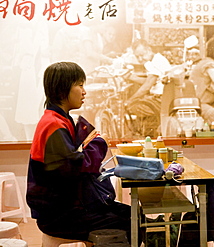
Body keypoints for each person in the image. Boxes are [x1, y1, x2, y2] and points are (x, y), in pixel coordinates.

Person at [26, 62, 142, 244]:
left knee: (134, 214)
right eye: (79, 85)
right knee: (132, 224)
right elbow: (77, 168)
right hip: (59, 215)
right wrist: (99, 143)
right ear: (62, 89)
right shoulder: (53, 125)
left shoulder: (58, 120)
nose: (84, 91)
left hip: (67, 206)